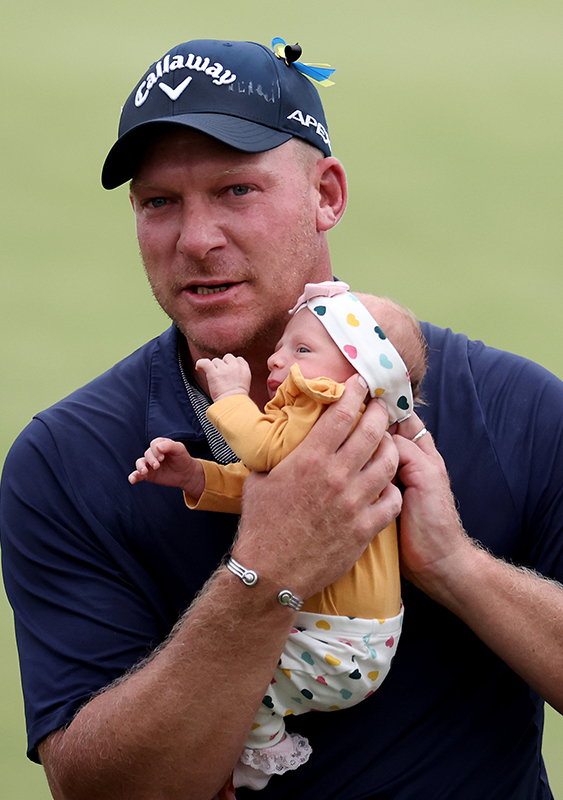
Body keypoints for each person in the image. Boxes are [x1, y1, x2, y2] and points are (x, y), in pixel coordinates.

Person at [0, 37, 563, 800]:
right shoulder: (66, 461)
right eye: (159, 202)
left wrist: (460, 569)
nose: (196, 240)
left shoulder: (507, 405)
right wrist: (268, 570)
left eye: (237, 191)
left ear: (327, 194)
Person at [128, 281, 426, 791]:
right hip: (351, 639)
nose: (278, 356)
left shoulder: (326, 401)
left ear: (359, 374)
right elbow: (268, 488)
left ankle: (259, 750)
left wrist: (228, 395)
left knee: (237, 682)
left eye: (303, 349)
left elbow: (262, 452)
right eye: (285, 343)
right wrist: (197, 476)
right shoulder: (325, 426)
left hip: (341, 642)